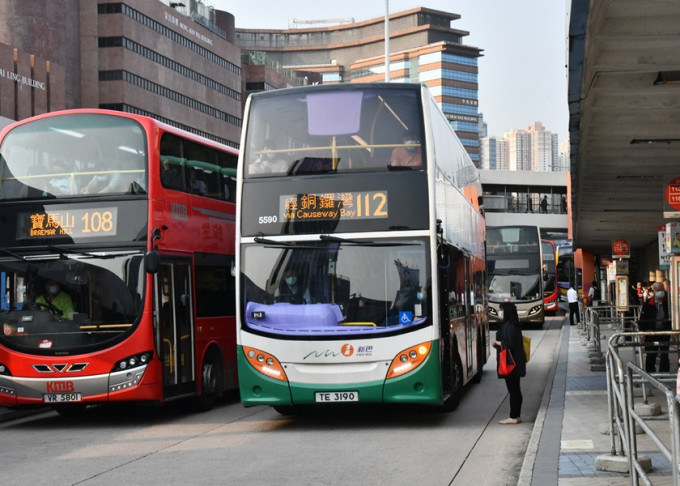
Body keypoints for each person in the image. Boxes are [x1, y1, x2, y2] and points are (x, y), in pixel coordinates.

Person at [493, 301, 526, 424]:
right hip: (516, 361)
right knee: (516, 389)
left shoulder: (509, 326)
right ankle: (517, 415)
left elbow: (509, 344)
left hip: (511, 363)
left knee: (513, 390)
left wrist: (498, 344)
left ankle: (513, 417)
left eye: (502, 310)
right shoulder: (514, 324)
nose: (501, 312)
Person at [638, 281, 671, 373]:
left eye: (662, 289)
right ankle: (650, 373)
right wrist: (642, 332)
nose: (660, 292)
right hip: (651, 332)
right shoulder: (648, 303)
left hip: (665, 332)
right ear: (654, 291)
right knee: (651, 354)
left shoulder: (668, 303)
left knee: (664, 354)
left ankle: (664, 373)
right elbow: (642, 319)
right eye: (658, 290)